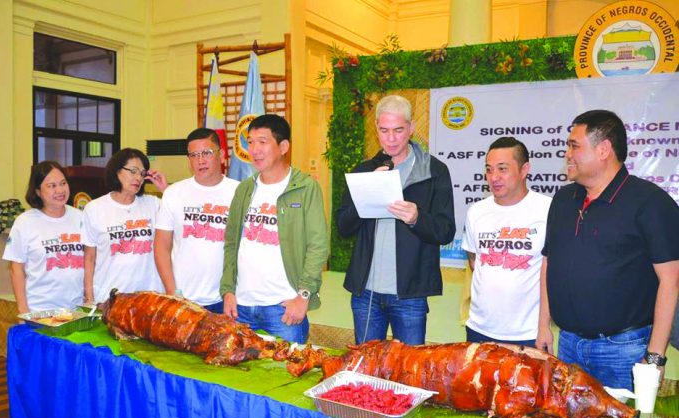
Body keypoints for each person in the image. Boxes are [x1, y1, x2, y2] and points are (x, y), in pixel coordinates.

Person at [537, 109, 679, 389]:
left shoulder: (649, 203)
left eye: (574, 145)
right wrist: (544, 325)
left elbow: (671, 280)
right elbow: (548, 263)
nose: (567, 153)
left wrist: (654, 358)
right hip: (568, 346)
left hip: (624, 351)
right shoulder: (564, 199)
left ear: (603, 149)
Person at [337, 95, 455, 345]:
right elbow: (343, 226)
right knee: (366, 372)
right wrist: (367, 192)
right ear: (377, 128)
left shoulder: (434, 171)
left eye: (398, 130)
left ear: (411, 128)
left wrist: (417, 218)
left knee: (409, 372)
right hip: (366, 293)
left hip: (410, 295)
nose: (391, 138)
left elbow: (446, 231)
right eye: (384, 130)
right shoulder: (364, 170)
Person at [220, 114, 328, 343]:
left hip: (284, 309)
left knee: (288, 376)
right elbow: (231, 243)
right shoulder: (244, 189)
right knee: (239, 377)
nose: (254, 149)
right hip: (242, 308)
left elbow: (318, 246)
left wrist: (304, 296)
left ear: (283, 146)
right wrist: (228, 291)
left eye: (262, 141)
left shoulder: (306, 188)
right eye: (250, 142)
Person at [462, 137, 551, 346]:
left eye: (502, 169)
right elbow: (475, 262)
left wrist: (543, 327)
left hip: (528, 333)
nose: (494, 177)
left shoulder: (547, 209)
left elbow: (553, 272)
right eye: (489, 169)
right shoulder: (477, 211)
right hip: (479, 330)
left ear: (524, 169)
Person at [154, 128, 239, 313]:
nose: (200, 160)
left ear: (222, 155)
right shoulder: (174, 193)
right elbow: (161, 245)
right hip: (183, 297)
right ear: (189, 160)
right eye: (194, 155)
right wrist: (171, 291)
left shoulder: (239, 192)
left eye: (207, 153)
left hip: (226, 298)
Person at [82, 148, 167, 304]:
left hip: (150, 299)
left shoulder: (153, 204)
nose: (138, 178)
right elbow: (89, 258)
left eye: (142, 173)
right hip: (110, 298)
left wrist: (165, 190)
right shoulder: (94, 208)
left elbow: (180, 218)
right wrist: (89, 298)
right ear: (117, 171)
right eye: (133, 171)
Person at [3, 161, 84, 313]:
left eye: (63, 183)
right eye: (51, 186)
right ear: (38, 191)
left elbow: (91, 260)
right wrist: (23, 310)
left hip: (77, 311)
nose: (60, 190)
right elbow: (16, 269)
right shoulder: (25, 222)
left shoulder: (80, 217)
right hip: (40, 311)